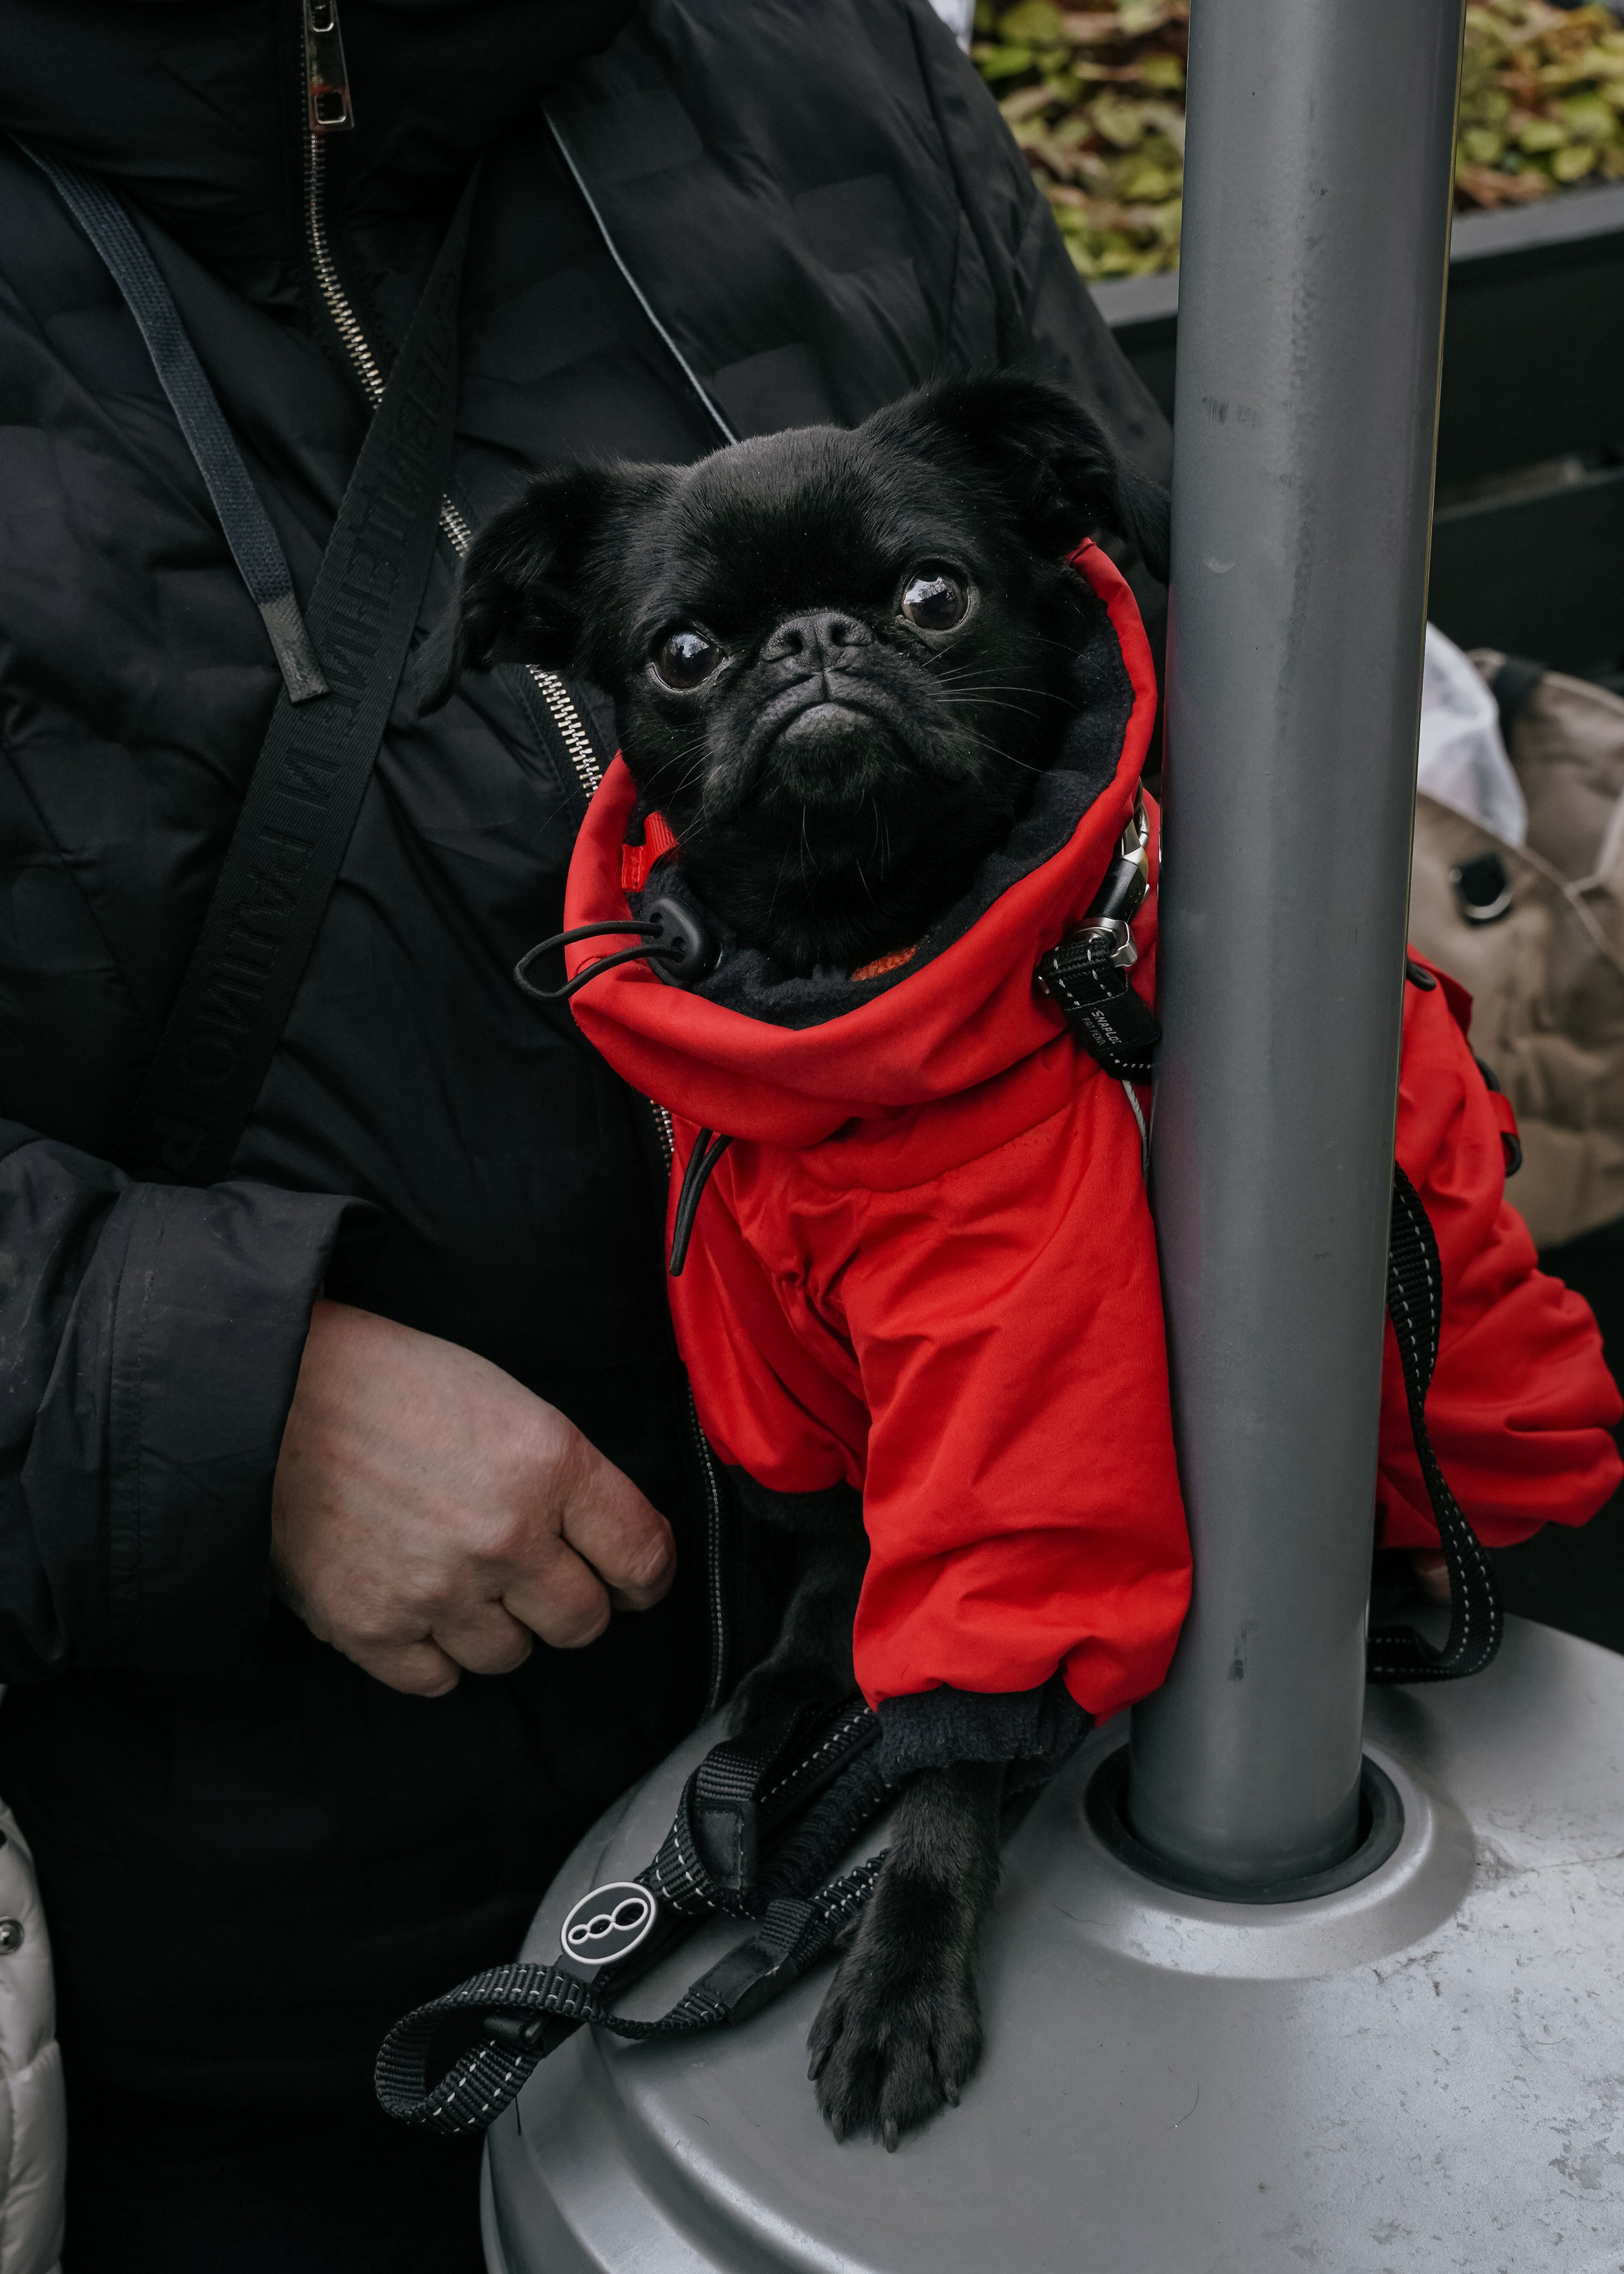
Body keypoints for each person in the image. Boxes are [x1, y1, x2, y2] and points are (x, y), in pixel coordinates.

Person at [0, 1, 1171, 2264]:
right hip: (297, 1985)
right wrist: (218, 1398)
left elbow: (1167, 637)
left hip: (1039, 1773)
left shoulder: (804, 47)